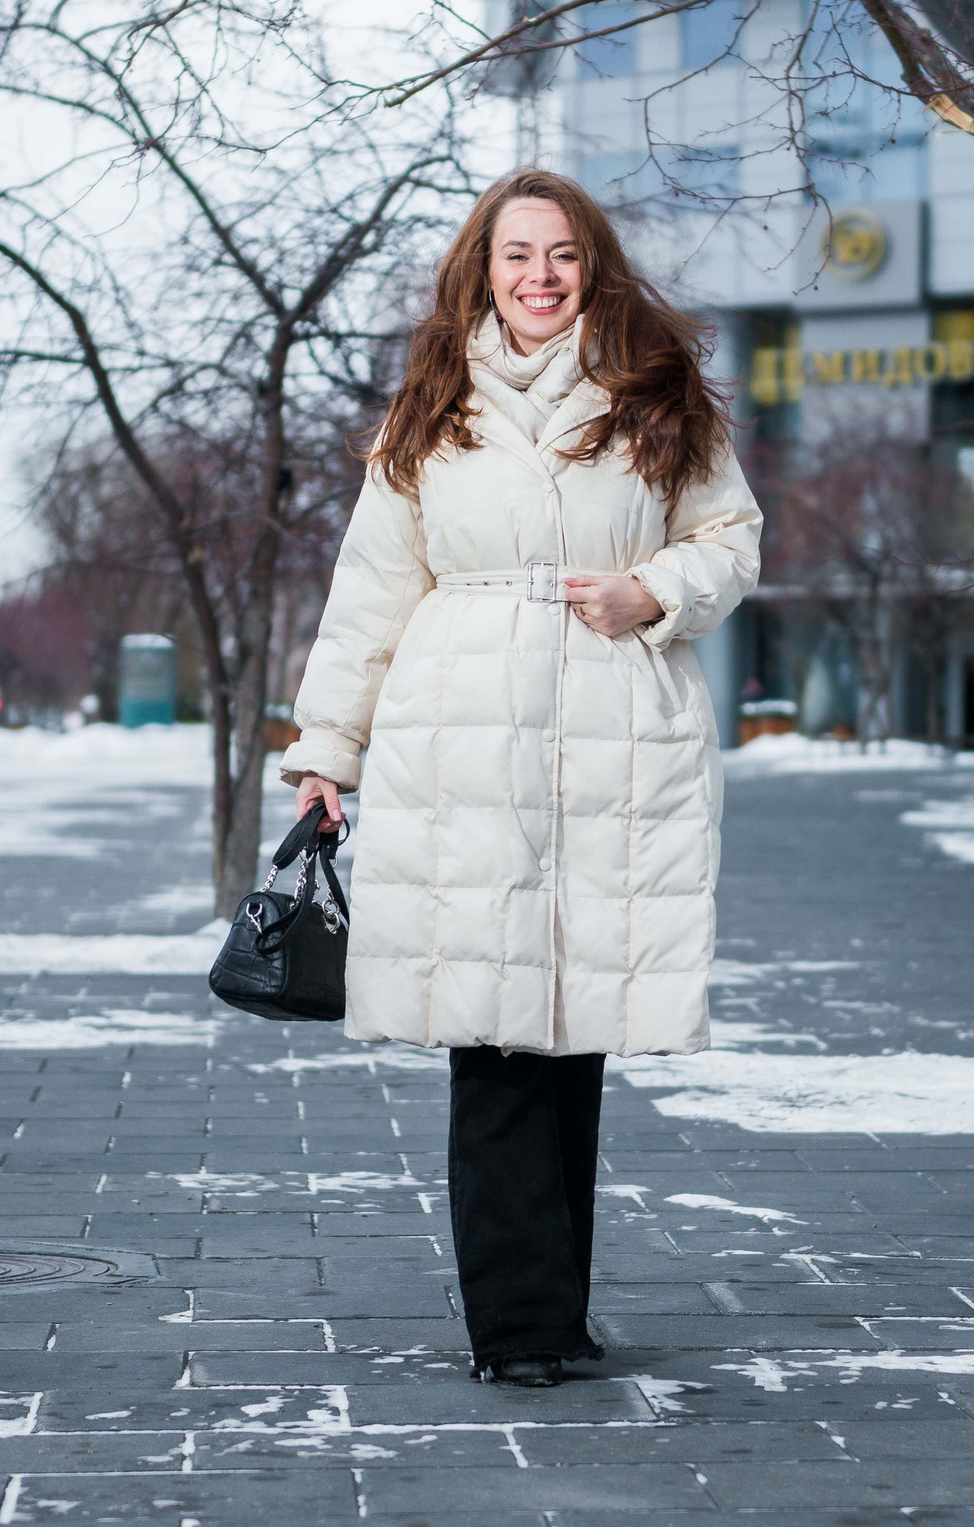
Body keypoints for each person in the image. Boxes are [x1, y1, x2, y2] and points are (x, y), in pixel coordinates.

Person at [283, 169, 762, 1388]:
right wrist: (328, 746)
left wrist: (653, 588)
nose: (538, 276)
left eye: (560, 254)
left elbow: (730, 537)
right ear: (481, 271)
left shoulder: (656, 391)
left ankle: (555, 1306)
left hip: (611, 729)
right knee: (491, 1030)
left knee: (573, 1032)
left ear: (590, 264)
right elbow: (371, 587)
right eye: (516, 255)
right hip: (463, 731)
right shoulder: (430, 404)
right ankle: (519, 1325)